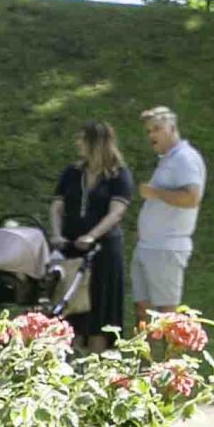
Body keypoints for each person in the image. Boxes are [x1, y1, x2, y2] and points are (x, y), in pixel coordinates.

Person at [51, 121, 134, 350]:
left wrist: (92, 236)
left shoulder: (119, 175)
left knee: (100, 315)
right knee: (70, 315)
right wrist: (57, 234)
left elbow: (116, 212)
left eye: (82, 139)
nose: (78, 143)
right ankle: (70, 362)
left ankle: (98, 362)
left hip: (103, 252)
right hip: (71, 251)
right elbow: (57, 207)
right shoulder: (71, 173)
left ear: (96, 143)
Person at [134, 105, 206, 318]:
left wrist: (154, 192)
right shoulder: (169, 159)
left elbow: (192, 198)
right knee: (142, 309)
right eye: (148, 131)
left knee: (166, 315)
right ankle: (143, 343)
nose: (151, 135)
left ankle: (170, 344)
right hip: (148, 246)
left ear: (172, 128)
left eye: (157, 129)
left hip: (166, 248)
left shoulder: (185, 158)